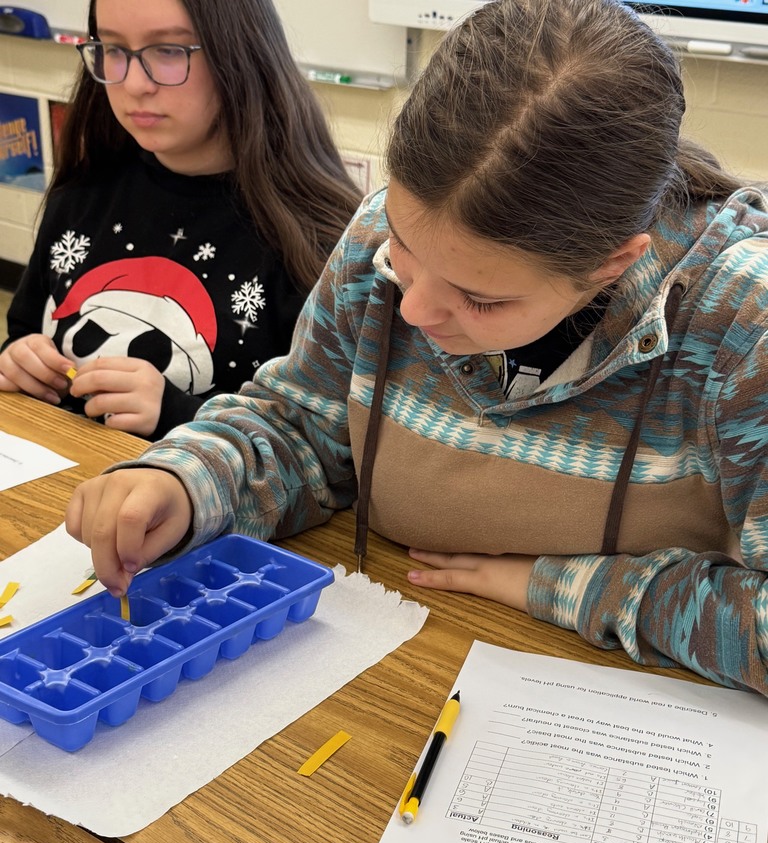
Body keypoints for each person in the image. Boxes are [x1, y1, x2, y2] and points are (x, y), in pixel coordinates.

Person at [66, 0, 768, 693]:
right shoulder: (379, 231)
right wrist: (187, 480)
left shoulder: (743, 319)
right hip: (391, 658)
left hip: (614, 709)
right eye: (404, 245)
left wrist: (565, 584)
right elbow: (303, 426)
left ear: (613, 263)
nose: (413, 305)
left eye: (482, 298)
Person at [0, 0, 360, 439]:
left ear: (239, 54)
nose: (133, 84)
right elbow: (25, 326)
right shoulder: (83, 189)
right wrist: (19, 357)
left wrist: (181, 413)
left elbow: (326, 446)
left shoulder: (318, 238)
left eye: (168, 50)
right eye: (113, 49)